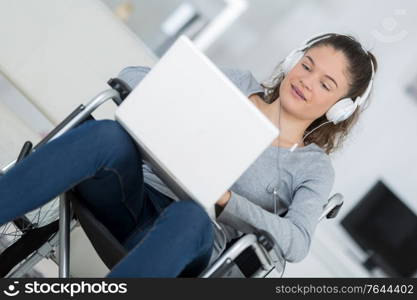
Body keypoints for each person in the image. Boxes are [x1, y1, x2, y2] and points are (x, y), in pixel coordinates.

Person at [0, 33, 377, 277]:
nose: (306, 81)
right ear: (294, 58)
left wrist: (227, 201)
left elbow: (296, 243)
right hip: (131, 199)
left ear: (340, 108)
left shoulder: (312, 167)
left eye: (325, 84)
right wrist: (167, 97)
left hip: (188, 243)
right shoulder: (236, 84)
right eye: (306, 65)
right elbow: (131, 77)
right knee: (107, 135)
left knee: (191, 214)